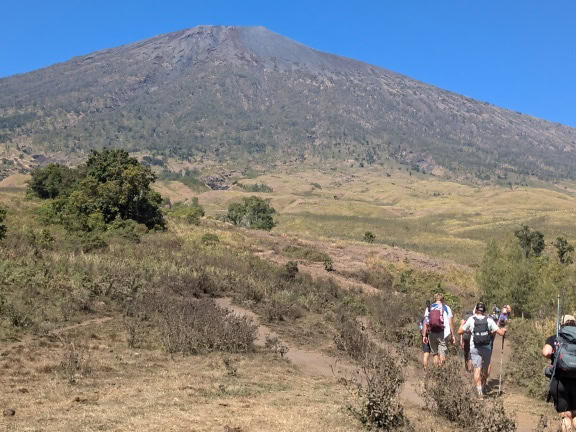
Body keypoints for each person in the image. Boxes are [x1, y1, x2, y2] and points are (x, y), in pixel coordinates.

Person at [458, 302, 507, 397]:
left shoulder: (471, 319)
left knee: (477, 369)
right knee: (485, 369)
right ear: (484, 311)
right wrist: (504, 330)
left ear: (475, 310)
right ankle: (484, 386)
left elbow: (460, 331)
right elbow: (500, 333)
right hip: (487, 348)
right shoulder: (489, 320)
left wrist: (462, 324)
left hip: (475, 348)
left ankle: (479, 392)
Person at [542, 315, 576, 432]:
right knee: (575, 414)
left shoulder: (555, 338)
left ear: (560, 325)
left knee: (565, 415)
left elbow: (546, 352)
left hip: (559, 381)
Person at [423, 293, 455, 366]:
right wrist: (453, 335)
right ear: (443, 299)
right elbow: (450, 323)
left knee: (435, 354)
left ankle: (436, 372)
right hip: (442, 333)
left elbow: (425, 322)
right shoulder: (446, 307)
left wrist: (424, 335)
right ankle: (440, 370)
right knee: (442, 353)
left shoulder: (429, 308)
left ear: (434, 299)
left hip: (431, 333)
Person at [460, 308, 474, 372]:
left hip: (465, 335)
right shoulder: (474, 318)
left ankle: (466, 367)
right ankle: (470, 368)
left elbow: (461, 329)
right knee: (470, 352)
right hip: (471, 336)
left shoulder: (464, 318)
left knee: (466, 352)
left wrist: (461, 339)